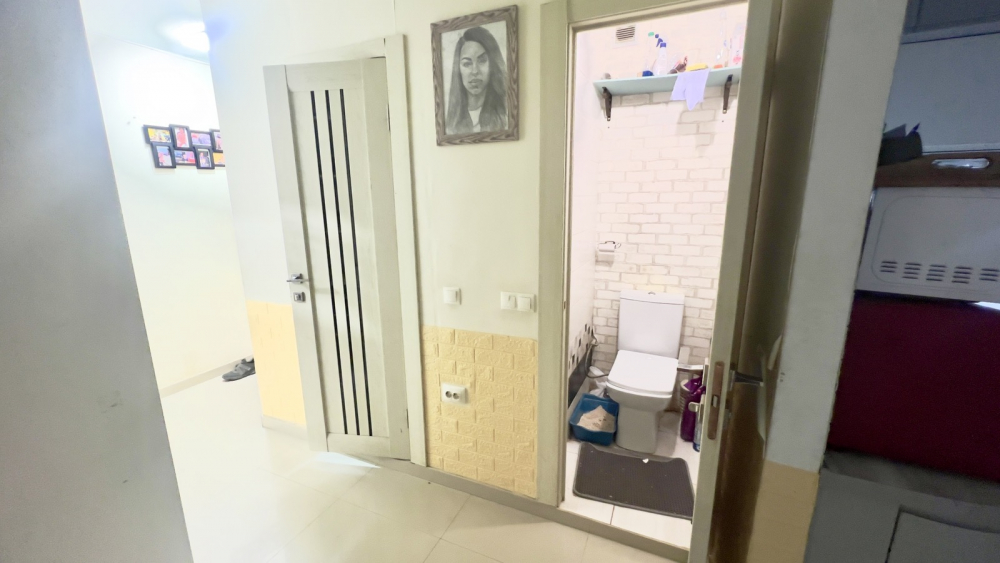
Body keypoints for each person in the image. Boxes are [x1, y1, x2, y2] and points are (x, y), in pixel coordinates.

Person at [446, 26, 507, 135]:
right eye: (467, 64)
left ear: (492, 64)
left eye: (482, 61)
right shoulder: (450, 123)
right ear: (458, 69)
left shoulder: (506, 115)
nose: (475, 71)